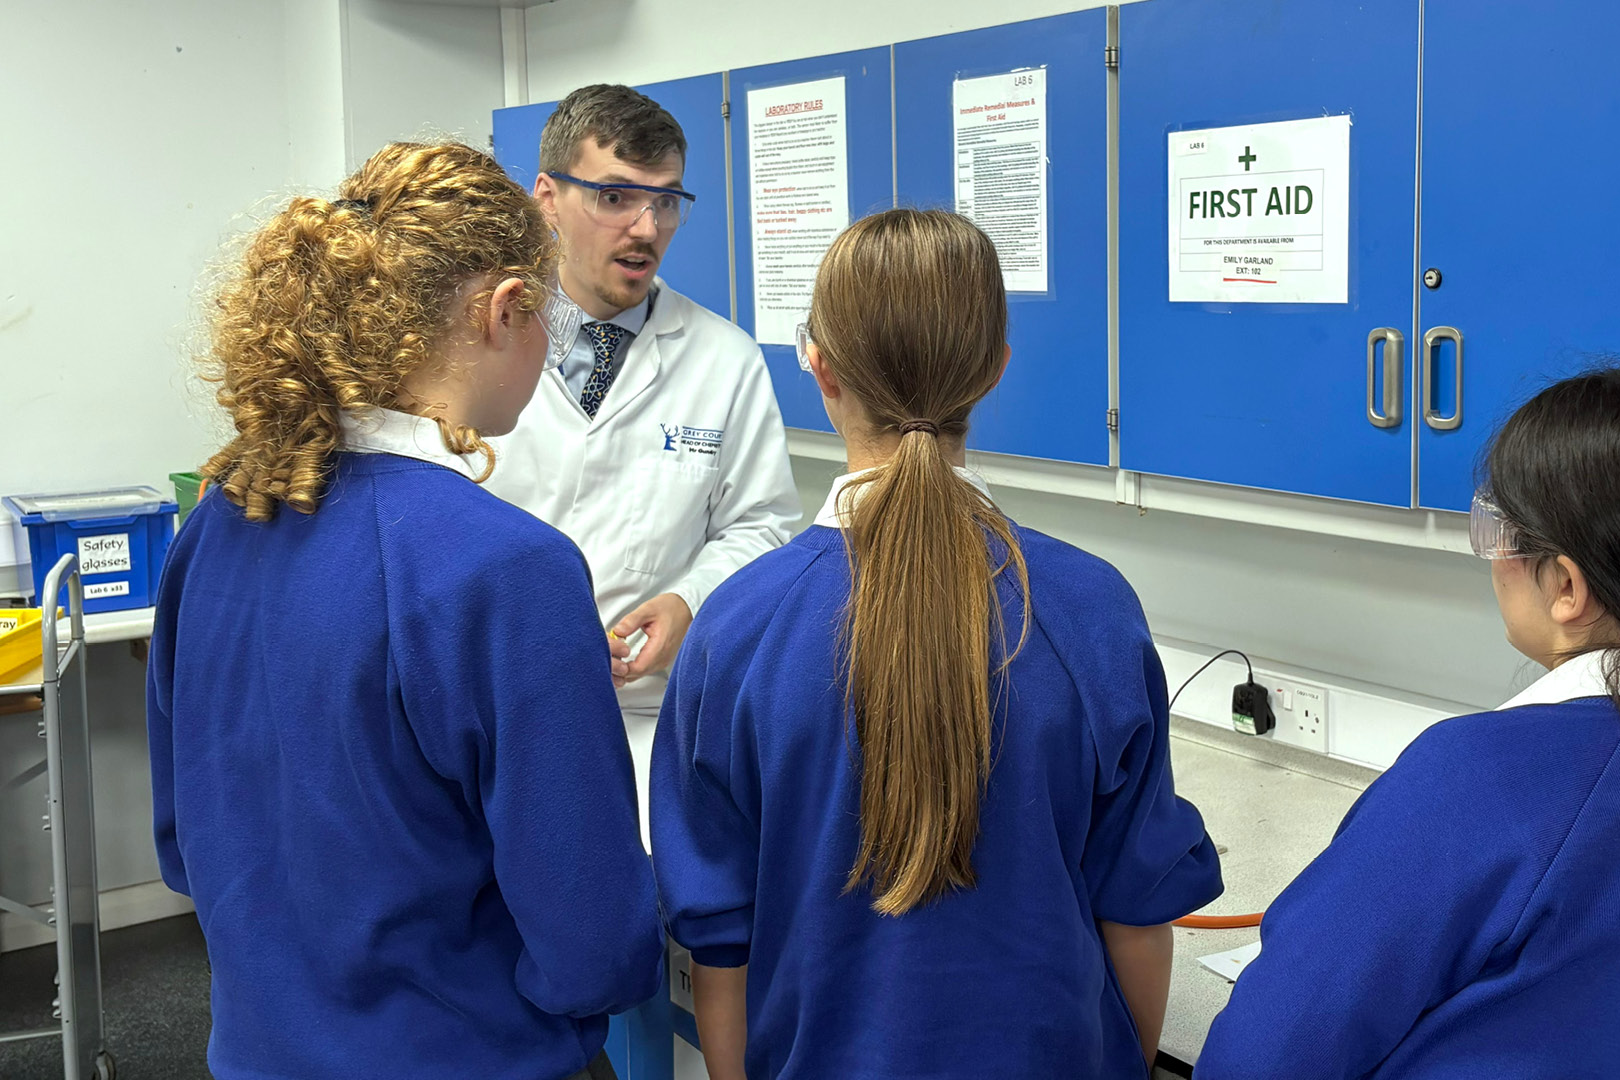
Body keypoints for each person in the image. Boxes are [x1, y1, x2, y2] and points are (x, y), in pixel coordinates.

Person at [651, 208, 1224, 1080]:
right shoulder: (1088, 611)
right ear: (993, 369)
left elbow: (720, 949)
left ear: (820, 367)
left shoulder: (736, 629)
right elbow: (1138, 914)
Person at [147, 142, 660, 1080]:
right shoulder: (508, 571)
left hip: (260, 1048)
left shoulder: (219, 518)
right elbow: (594, 939)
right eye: (542, 316)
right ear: (504, 309)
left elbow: (183, 846)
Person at [1196, 362, 1620, 1080]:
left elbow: (1263, 1054)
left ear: (1565, 585)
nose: (1492, 557)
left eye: (1499, 529)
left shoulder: (1481, 779)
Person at [486, 85, 802, 823]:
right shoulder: (479, 344)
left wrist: (690, 600)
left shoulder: (725, 359)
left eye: (666, 202)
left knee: (639, 916)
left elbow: (763, 525)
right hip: (499, 707)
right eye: (616, 196)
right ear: (547, 198)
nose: (646, 226)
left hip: (653, 717)